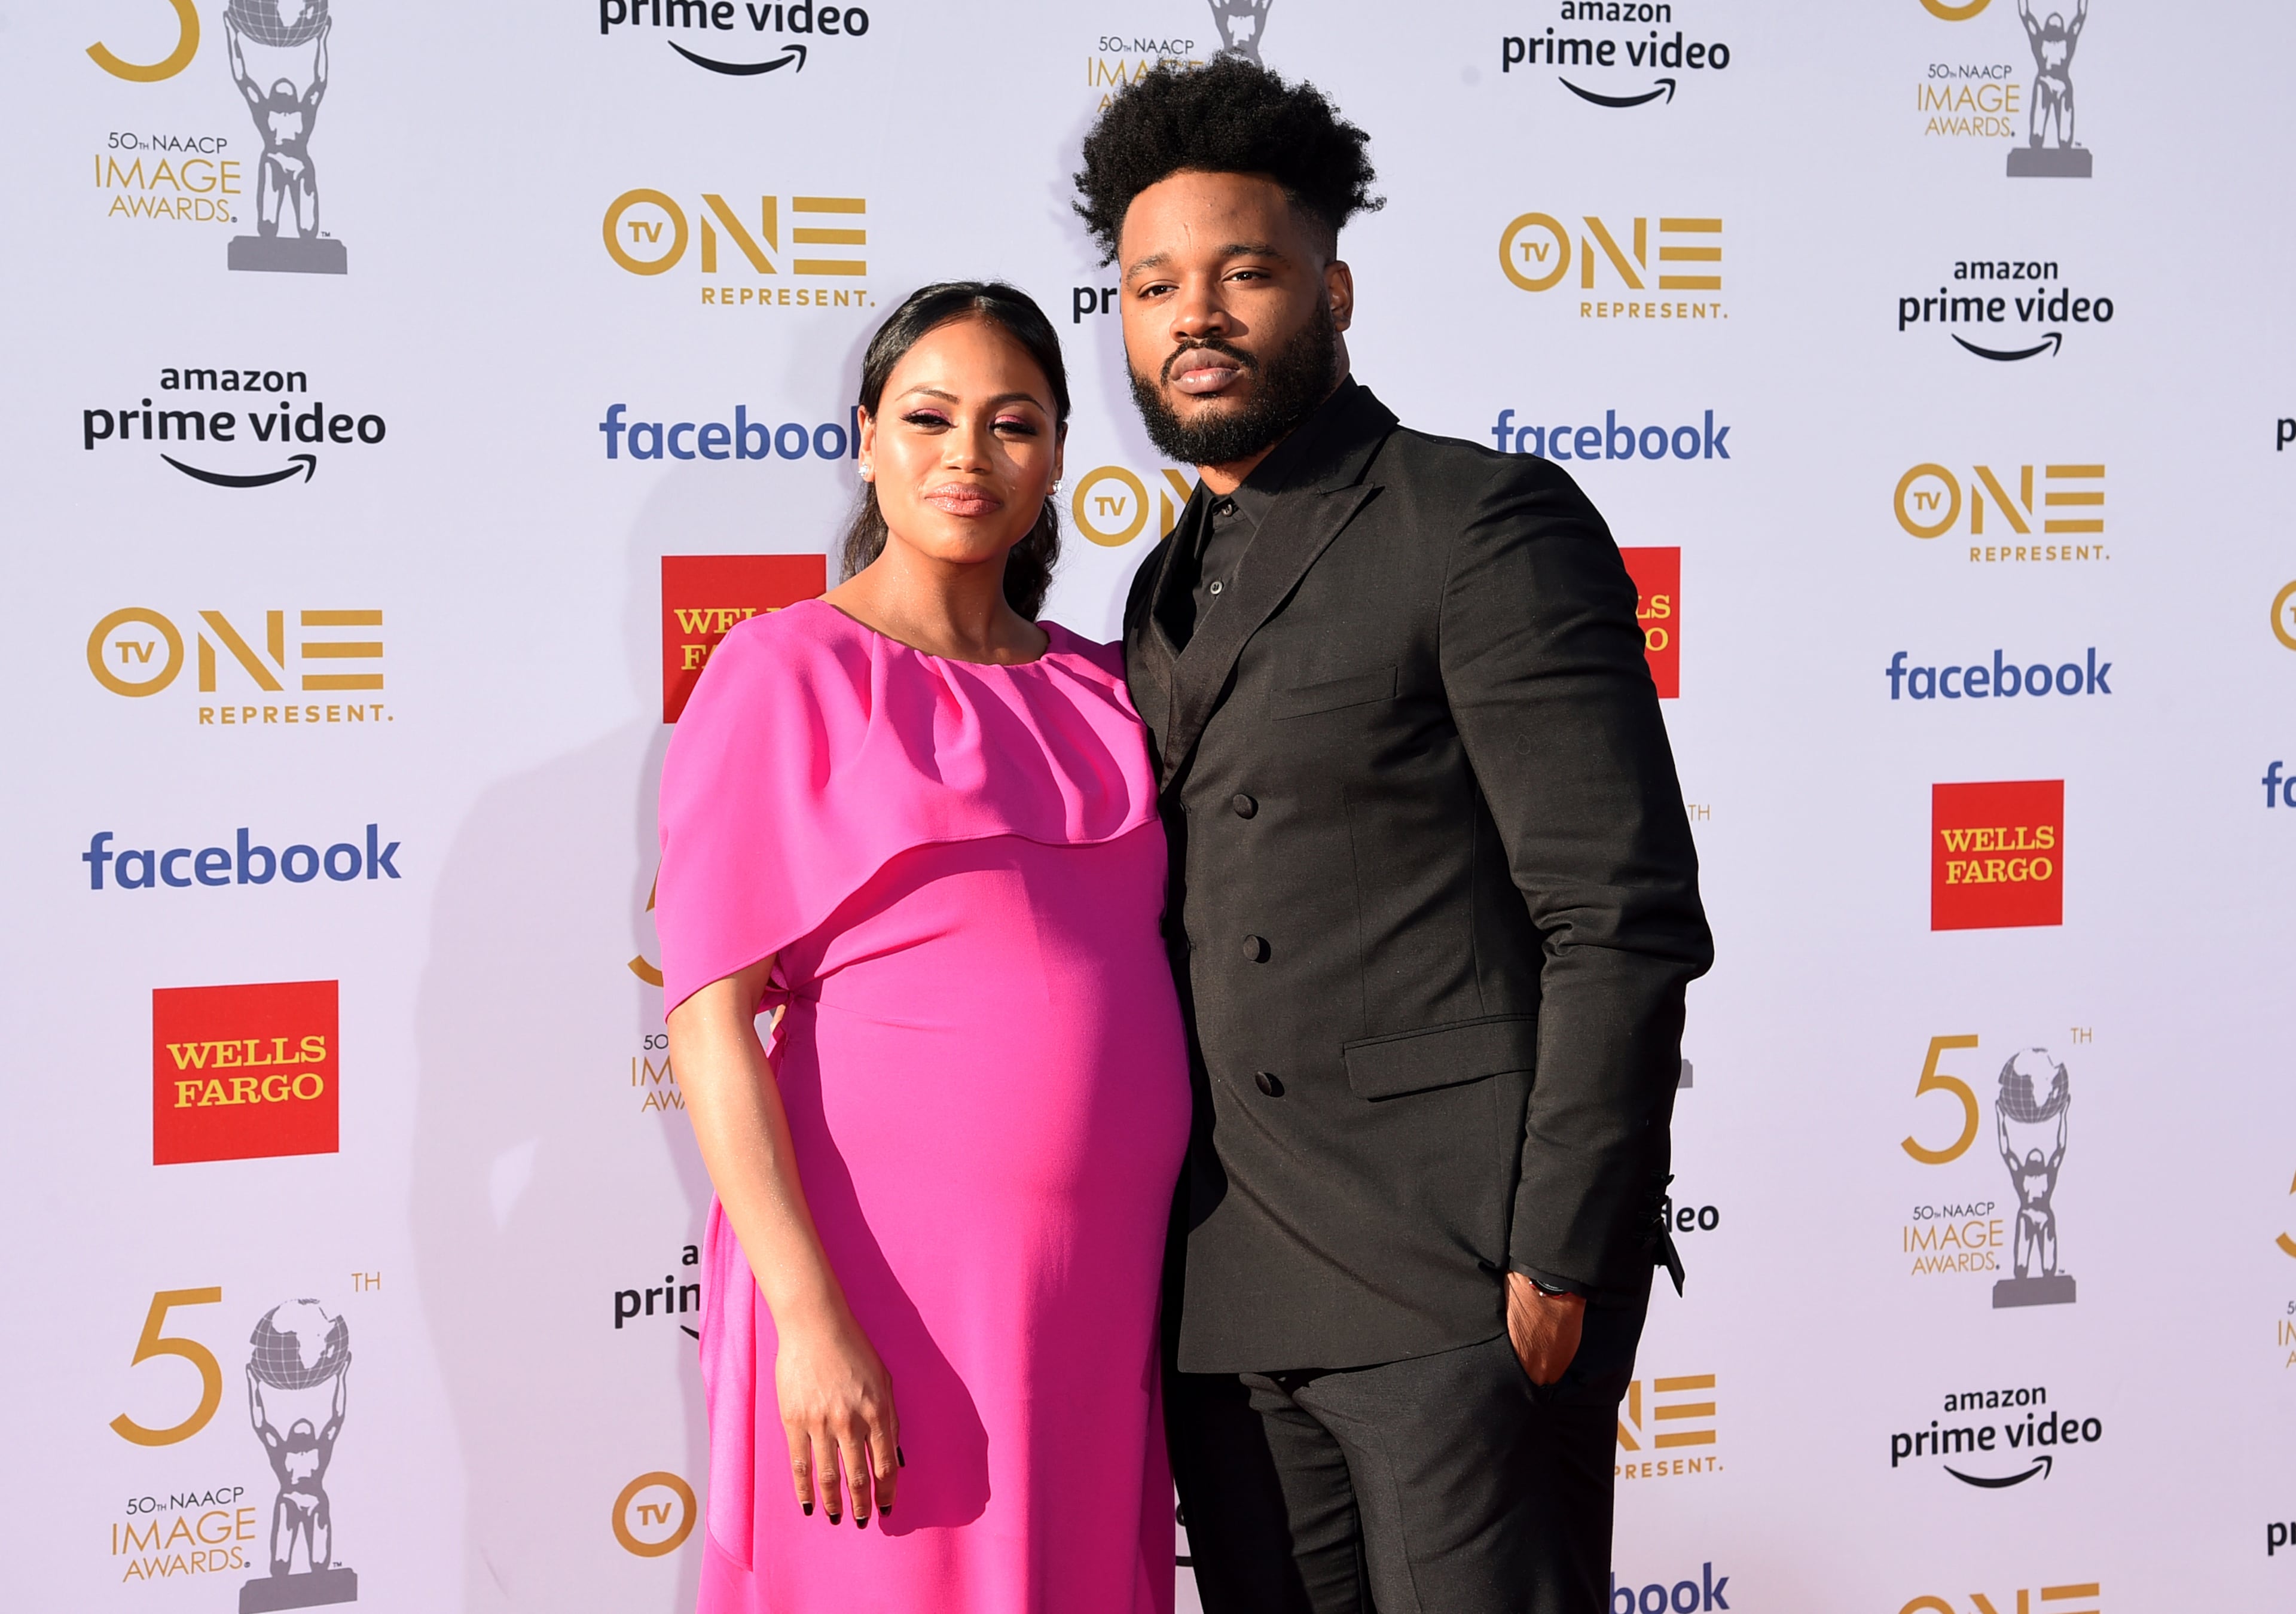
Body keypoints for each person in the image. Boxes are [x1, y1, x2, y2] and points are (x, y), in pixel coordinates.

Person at [1076, 58, 1714, 1614]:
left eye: (1244, 272)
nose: (1194, 315)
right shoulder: (1159, 584)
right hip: (1227, 1293)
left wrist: (1557, 1261)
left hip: (1455, 1282)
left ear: (1334, 289)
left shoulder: (1479, 522)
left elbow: (1619, 913)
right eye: (1153, 286)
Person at [657, 282, 1190, 1614]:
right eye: (930, 418)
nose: (969, 455)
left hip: (1102, 1291)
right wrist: (808, 1320)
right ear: (866, 438)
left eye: (1012, 423)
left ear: (1058, 455)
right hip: (880, 1278)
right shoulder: (783, 673)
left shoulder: (1111, 688)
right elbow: (709, 1021)